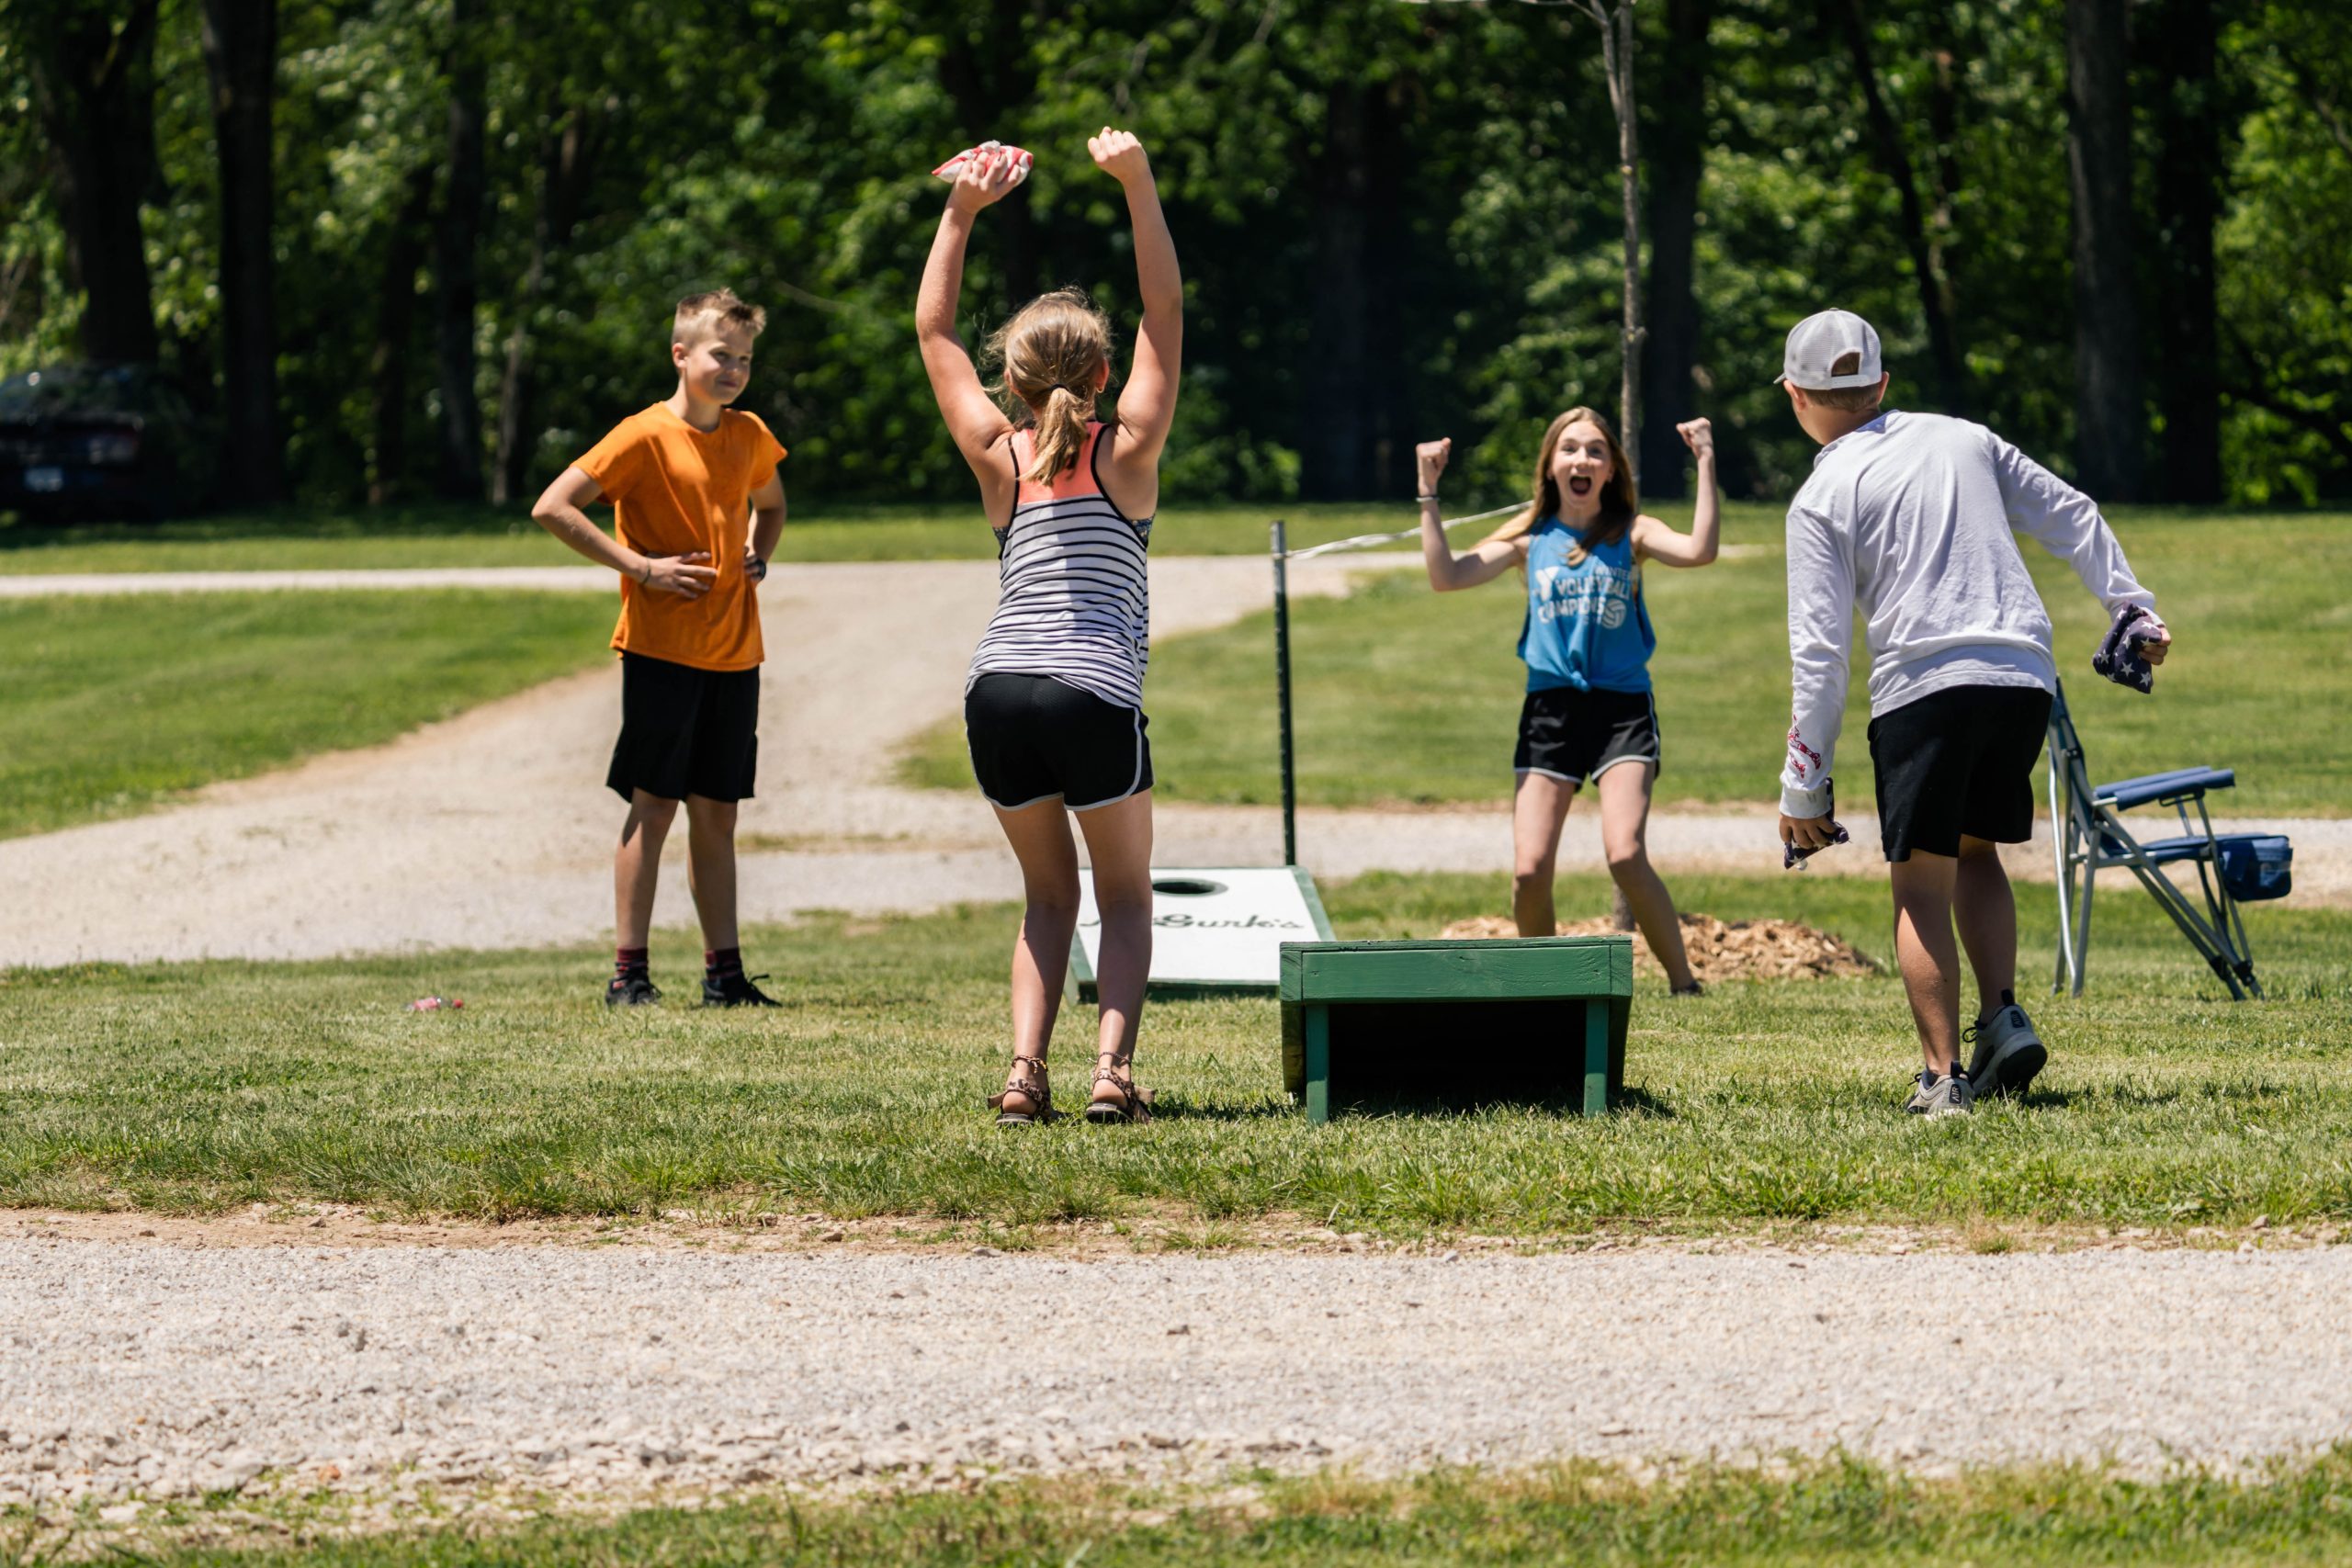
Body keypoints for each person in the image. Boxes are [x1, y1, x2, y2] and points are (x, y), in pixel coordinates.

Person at [1771, 308, 2170, 1117]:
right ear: (1883, 385)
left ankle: (1941, 1076)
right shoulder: (1963, 436)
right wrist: (2132, 608)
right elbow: (2072, 511)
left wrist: (1802, 787)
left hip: (1926, 684)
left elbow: (1820, 655)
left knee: (1918, 882)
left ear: (1794, 397)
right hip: (2023, 675)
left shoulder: (1819, 496)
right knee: (1975, 851)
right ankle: (2003, 1015)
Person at [914, 130, 1182, 1125]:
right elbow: (1165, 307)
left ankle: (1025, 1076)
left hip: (996, 692)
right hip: (1090, 687)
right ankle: (1112, 1074)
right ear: (1104, 376)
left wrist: (962, 211)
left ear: (1016, 381)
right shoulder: (1129, 453)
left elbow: (935, 333)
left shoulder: (999, 456)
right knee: (1122, 896)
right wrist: (1134, 180)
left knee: (1045, 899)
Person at [530, 288, 788, 1009]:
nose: (733, 369)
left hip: (737, 653)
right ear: (680, 353)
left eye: (743, 358)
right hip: (662, 652)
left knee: (719, 811)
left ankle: (725, 976)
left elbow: (771, 504)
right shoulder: (642, 435)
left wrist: (758, 555)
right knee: (655, 804)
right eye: (719, 355)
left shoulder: (749, 434)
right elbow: (553, 506)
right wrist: (640, 568)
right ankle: (629, 973)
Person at [1414, 408, 1720, 992]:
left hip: (1622, 711)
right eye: (1570, 450)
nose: (1582, 460)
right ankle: (1543, 991)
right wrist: (1428, 491)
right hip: (1550, 713)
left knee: (1625, 854)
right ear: (1551, 466)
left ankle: (1684, 983)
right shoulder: (1529, 542)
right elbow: (1446, 576)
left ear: (1610, 470)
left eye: (1596, 451)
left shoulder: (1632, 533)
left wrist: (1705, 459)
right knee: (1529, 871)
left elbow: (1701, 549)